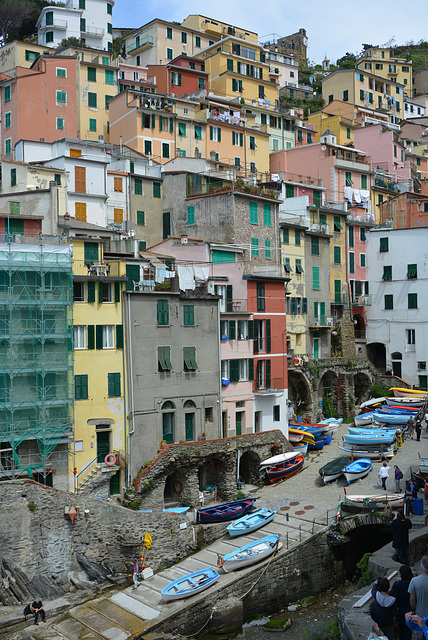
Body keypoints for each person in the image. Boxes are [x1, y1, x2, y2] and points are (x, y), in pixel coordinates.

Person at [390, 566, 414, 640]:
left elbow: (391, 595)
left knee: (401, 629)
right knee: (408, 630)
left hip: (400, 610)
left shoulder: (397, 584)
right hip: (410, 611)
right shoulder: (412, 583)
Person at [409, 556, 428, 637]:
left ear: (421, 567)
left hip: (420, 615)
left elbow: (412, 599)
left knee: (420, 636)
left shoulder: (414, 581)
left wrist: (413, 610)